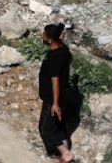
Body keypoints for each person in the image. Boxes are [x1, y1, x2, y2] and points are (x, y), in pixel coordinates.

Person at [38, 23, 75, 162]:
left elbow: (55, 81)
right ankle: (62, 151)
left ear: (50, 39)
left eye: (44, 34)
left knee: (45, 129)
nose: (42, 35)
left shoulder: (54, 57)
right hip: (62, 95)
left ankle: (65, 154)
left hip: (53, 99)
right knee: (57, 126)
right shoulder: (63, 50)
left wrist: (55, 104)